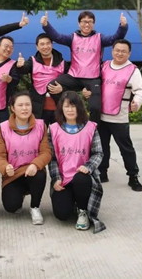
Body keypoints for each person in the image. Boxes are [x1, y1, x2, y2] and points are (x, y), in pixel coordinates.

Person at [41, 10, 128, 123]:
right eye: (84, 21)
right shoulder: (73, 38)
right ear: (79, 23)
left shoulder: (99, 38)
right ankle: (68, 112)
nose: (87, 24)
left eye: (90, 22)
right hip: (74, 76)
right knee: (52, 86)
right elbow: (57, 37)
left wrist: (122, 27)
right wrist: (46, 25)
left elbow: (114, 39)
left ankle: (93, 129)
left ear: (93, 24)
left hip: (93, 78)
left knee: (95, 108)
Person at [48, 91, 105, 233]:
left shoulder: (90, 127)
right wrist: (56, 178)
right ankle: (72, 200)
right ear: (61, 108)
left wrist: (88, 166)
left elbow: (98, 153)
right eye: (66, 106)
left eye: (73, 106)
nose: (70, 110)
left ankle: (83, 210)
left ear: (79, 107)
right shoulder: (53, 129)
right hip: (63, 179)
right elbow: (52, 158)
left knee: (81, 178)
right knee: (62, 214)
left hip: (82, 177)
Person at [0, 92, 51, 225]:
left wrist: (35, 164)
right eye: (20, 105)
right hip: (13, 174)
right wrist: (5, 167)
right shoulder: (3, 128)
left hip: (32, 171)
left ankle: (35, 207)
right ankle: (20, 194)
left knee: (39, 175)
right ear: (12, 108)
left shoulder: (41, 126)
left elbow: (46, 152)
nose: (24, 108)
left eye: (27, 104)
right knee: (11, 207)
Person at [98, 39, 142, 189]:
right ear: (112, 51)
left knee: (126, 148)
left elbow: (140, 90)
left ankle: (133, 176)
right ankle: (102, 172)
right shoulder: (104, 66)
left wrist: (136, 102)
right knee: (102, 147)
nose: (119, 53)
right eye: (117, 50)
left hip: (120, 116)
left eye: (123, 51)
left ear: (129, 53)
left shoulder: (133, 70)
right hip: (101, 115)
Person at [15, 33, 69, 124]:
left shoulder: (62, 62)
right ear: (37, 47)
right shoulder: (33, 61)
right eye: (42, 44)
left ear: (52, 44)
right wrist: (19, 66)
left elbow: (71, 82)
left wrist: (62, 88)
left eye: (48, 43)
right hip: (39, 109)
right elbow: (24, 69)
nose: (45, 47)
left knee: (58, 133)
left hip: (59, 108)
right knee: (39, 133)